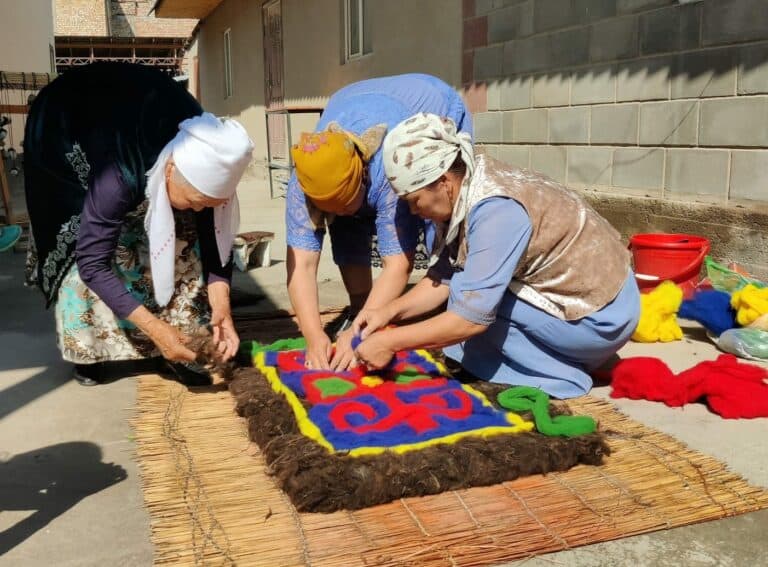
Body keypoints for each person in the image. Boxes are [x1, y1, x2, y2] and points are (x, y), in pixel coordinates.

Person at [352, 113, 641, 399]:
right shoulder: (469, 183)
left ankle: (561, 375)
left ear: (442, 182)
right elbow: (443, 277)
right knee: (466, 291)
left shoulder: (495, 211)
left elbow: (470, 319)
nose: (415, 212)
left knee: (471, 303)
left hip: (601, 319)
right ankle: (561, 354)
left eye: (415, 201)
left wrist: (390, 342)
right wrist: (387, 312)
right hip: (595, 302)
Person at [24, 63, 253, 386]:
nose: (201, 208)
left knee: (188, 241)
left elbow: (214, 238)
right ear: (170, 170)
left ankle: (181, 342)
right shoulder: (118, 175)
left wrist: (222, 307)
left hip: (136, 116)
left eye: (209, 203)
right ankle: (93, 351)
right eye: (196, 199)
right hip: (65, 128)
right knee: (82, 247)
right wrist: (156, 330)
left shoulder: (207, 153)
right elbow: (93, 263)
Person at [286, 74, 472, 372]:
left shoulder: (389, 169)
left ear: (363, 179)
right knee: (347, 226)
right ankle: (360, 308)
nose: (344, 213)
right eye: (331, 210)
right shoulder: (303, 181)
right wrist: (313, 334)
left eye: (347, 204)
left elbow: (398, 264)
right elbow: (301, 265)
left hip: (432, 101)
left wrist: (357, 334)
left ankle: (450, 311)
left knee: (436, 216)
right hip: (355, 100)